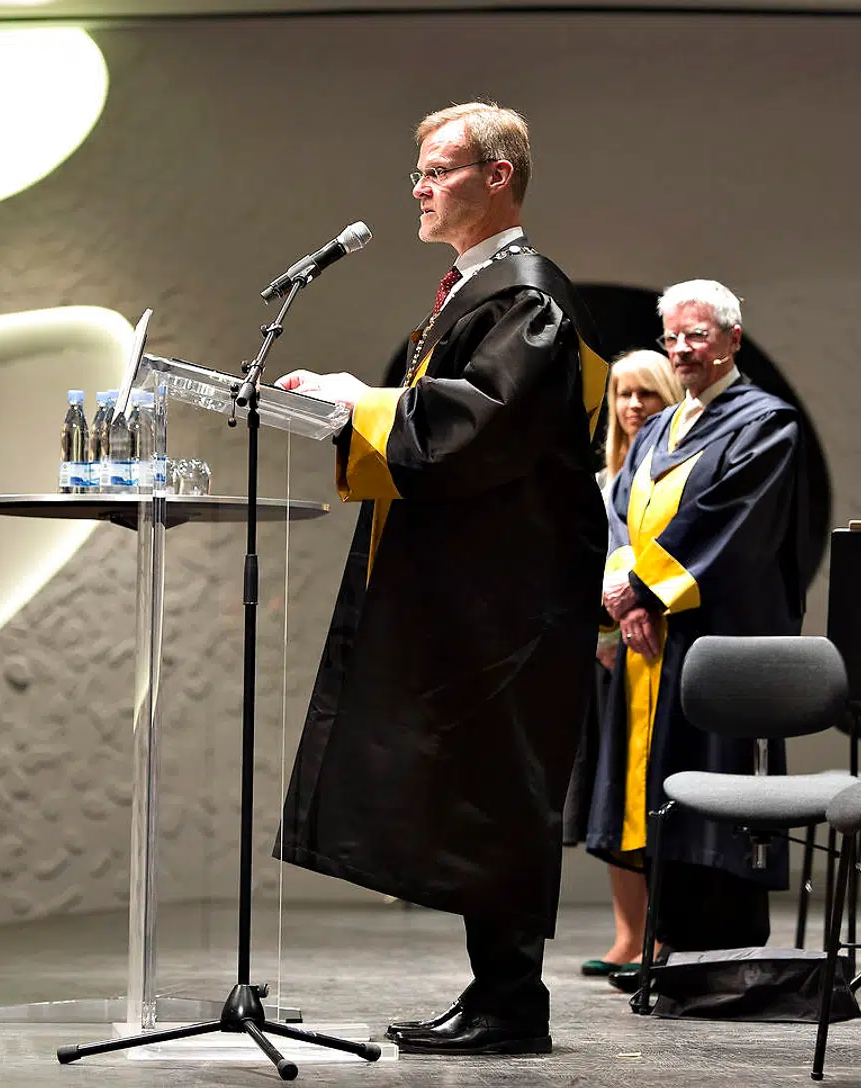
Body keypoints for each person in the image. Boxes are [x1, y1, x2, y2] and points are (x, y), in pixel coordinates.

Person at [272, 101, 610, 1056]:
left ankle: (512, 1007)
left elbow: (476, 427)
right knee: (474, 786)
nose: (419, 188)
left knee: (498, 788)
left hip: (512, 598)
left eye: (438, 170)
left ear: (497, 177)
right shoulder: (480, 290)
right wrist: (357, 407)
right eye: (417, 172)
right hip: (483, 589)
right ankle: (495, 993)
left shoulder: (527, 297)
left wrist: (360, 404)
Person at [585, 280, 808, 989]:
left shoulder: (766, 424)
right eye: (672, 337)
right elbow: (621, 513)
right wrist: (626, 597)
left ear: (732, 341)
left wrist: (643, 590)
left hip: (713, 645)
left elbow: (726, 523)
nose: (681, 349)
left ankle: (717, 959)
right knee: (651, 790)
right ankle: (665, 949)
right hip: (651, 643)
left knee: (712, 791)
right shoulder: (658, 429)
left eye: (698, 336)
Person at [563, 349, 681, 979]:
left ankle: (662, 933)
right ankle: (628, 934)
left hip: (660, 645)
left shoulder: (676, 472)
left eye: (648, 394)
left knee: (650, 794)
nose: (634, 406)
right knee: (609, 799)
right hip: (605, 654)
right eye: (623, 395)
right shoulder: (603, 481)